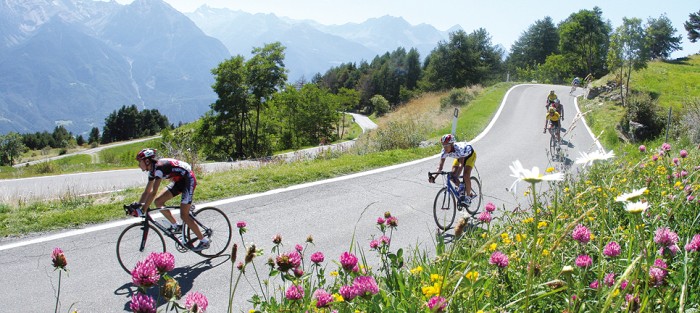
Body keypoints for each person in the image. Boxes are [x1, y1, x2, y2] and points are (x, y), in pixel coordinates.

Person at [134, 148, 209, 251]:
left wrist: (143, 210)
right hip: (179, 180)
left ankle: (204, 241)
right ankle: (176, 226)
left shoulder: (159, 168)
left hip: (188, 179)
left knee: (184, 215)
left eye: (139, 162)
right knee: (158, 202)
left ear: (147, 161)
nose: (139, 165)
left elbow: (153, 192)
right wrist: (138, 206)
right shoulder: (152, 171)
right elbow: (146, 192)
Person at [431, 134, 477, 205]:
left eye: (446, 145)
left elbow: (461, 164)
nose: (444, 147)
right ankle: (462, 190)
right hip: (459, 157)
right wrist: (434, 177)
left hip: (469, 156)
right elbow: (440, 166)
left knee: (466, 175)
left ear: (452, 144)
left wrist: (457, 176)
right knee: (451, 175)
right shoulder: (444, 151)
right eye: (443, 145)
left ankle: (468, 196)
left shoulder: (459, 148)